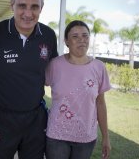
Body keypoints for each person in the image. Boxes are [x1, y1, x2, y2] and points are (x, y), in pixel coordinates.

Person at [0, 0, 58, 159]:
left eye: (34, 7)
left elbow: (54, 72)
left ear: (41, 7)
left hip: (35, 119)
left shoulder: (48, 35)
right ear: (12, 4)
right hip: (1, 119)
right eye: (22, 5)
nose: (28, 13)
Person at [45, 20, 111, 159]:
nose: (81, 40)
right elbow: (36, 87)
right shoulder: (55, 65)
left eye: (85, 36)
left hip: (86, 137)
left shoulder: (99, 67)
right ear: (66, 41)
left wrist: (106, 137)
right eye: (75, 36)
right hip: (57, 136)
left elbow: (100, 103)